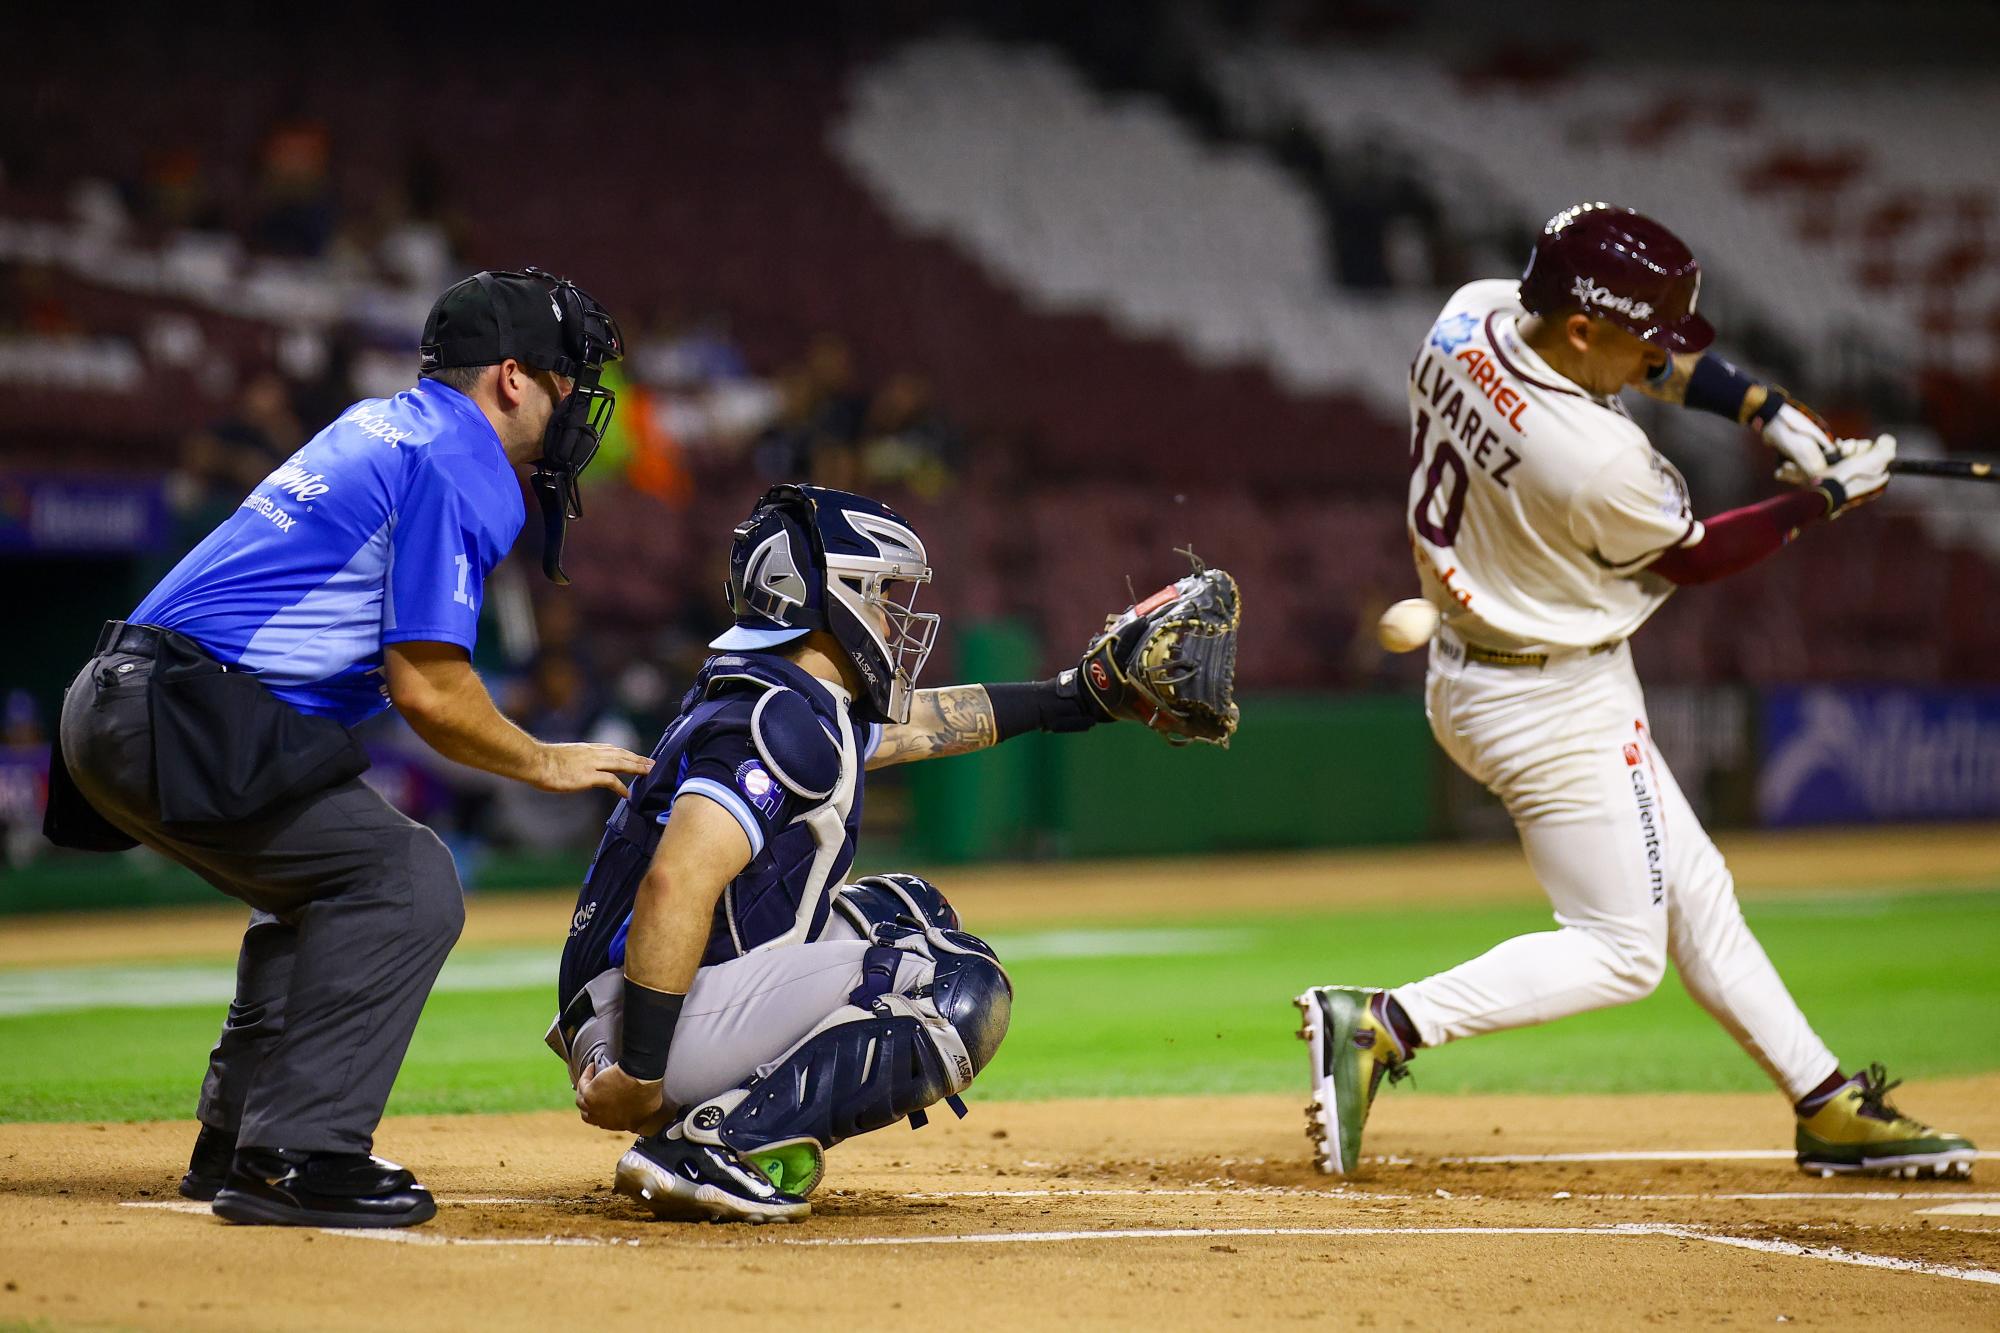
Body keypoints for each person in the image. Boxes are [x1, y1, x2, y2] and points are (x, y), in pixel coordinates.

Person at [1294, 204, 1976, 1181]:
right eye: (1637, 333)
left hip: (1491, 663)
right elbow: (1695, 556)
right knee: (1621, 951)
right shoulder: (1592, 460)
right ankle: (1383, 1023)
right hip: (1548, 704)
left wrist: (1763, 409)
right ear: (1579, 326)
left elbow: (1640, 360)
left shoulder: (1471, 314)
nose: (1652, 357)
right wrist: (1820, 498)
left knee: (1696, 894)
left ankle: (1825, 1105)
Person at [48, 268, 653, 1228]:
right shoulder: (464, 462)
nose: (576, 402)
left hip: (121, 700)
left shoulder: (386, 422)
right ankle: (298, 1156)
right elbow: (427, 685)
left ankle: (238, 1140)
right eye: (564, 379)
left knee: (326, 887)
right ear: (509, 377)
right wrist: (545, 758)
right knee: (405, 882)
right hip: (182, 711)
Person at [547, 484, 1234, 1222]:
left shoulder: (782, 698)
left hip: (624, 1004)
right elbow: (674, 882)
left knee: (907, 910)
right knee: (953, 984)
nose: (890, 616)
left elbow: (918, 726)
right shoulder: (776, 720)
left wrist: (1076, 696)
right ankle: (718, 1146)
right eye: (876, 595)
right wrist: (642, 1071)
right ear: (824, 600)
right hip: (645, 1027)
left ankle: (711, 1120)